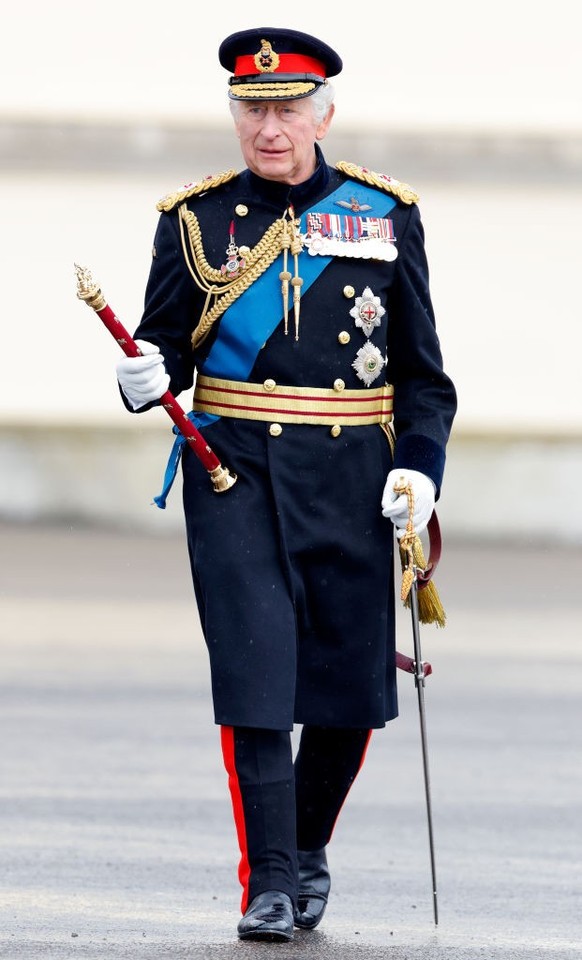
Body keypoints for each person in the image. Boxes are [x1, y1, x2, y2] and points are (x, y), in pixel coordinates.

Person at [115, 26, 457, 943]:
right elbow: (165, 351)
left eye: (289, 108)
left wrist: (419, 474)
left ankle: (305, 848)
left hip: (353, 476)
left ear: (325, 113)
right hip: (235, 474)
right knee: (257, 671)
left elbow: (424, 378)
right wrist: (141, 380)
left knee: (347, 688)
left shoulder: (385, 216)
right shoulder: (195, 221)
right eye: (253, 109)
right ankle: (268, 883)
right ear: (235, 116)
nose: (271, 126)